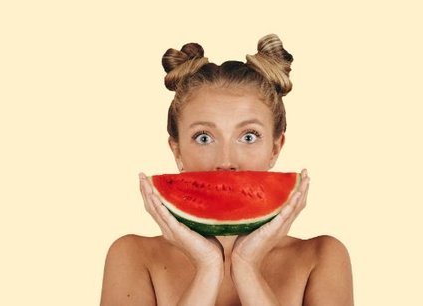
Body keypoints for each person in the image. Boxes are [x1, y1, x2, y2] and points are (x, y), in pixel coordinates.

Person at [100, 34, 353, 306]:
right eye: (204, 137)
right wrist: (208, 268)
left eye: (248, 136)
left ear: (275, 148)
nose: (226, 162)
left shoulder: (322, 257)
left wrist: (246, 267)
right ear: (177, 150)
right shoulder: (132, 256)